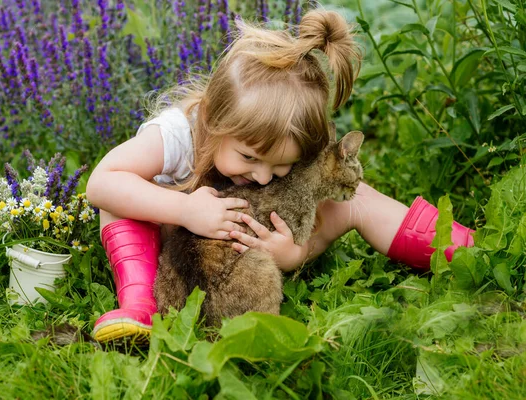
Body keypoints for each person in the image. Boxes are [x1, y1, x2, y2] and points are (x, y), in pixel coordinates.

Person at [86, 9, 474, 342]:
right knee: (121, 199)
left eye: (280, 165)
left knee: (357, 198)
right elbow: (100, 182)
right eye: (249, 157)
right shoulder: (175, 133)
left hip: (244, 247)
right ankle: (139, 306)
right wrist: (185, 209)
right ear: (211, 119)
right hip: (170, 243)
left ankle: (472, 254)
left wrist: (293, 253)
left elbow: (299, 190)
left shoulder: (271, 160)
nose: (262, 176)